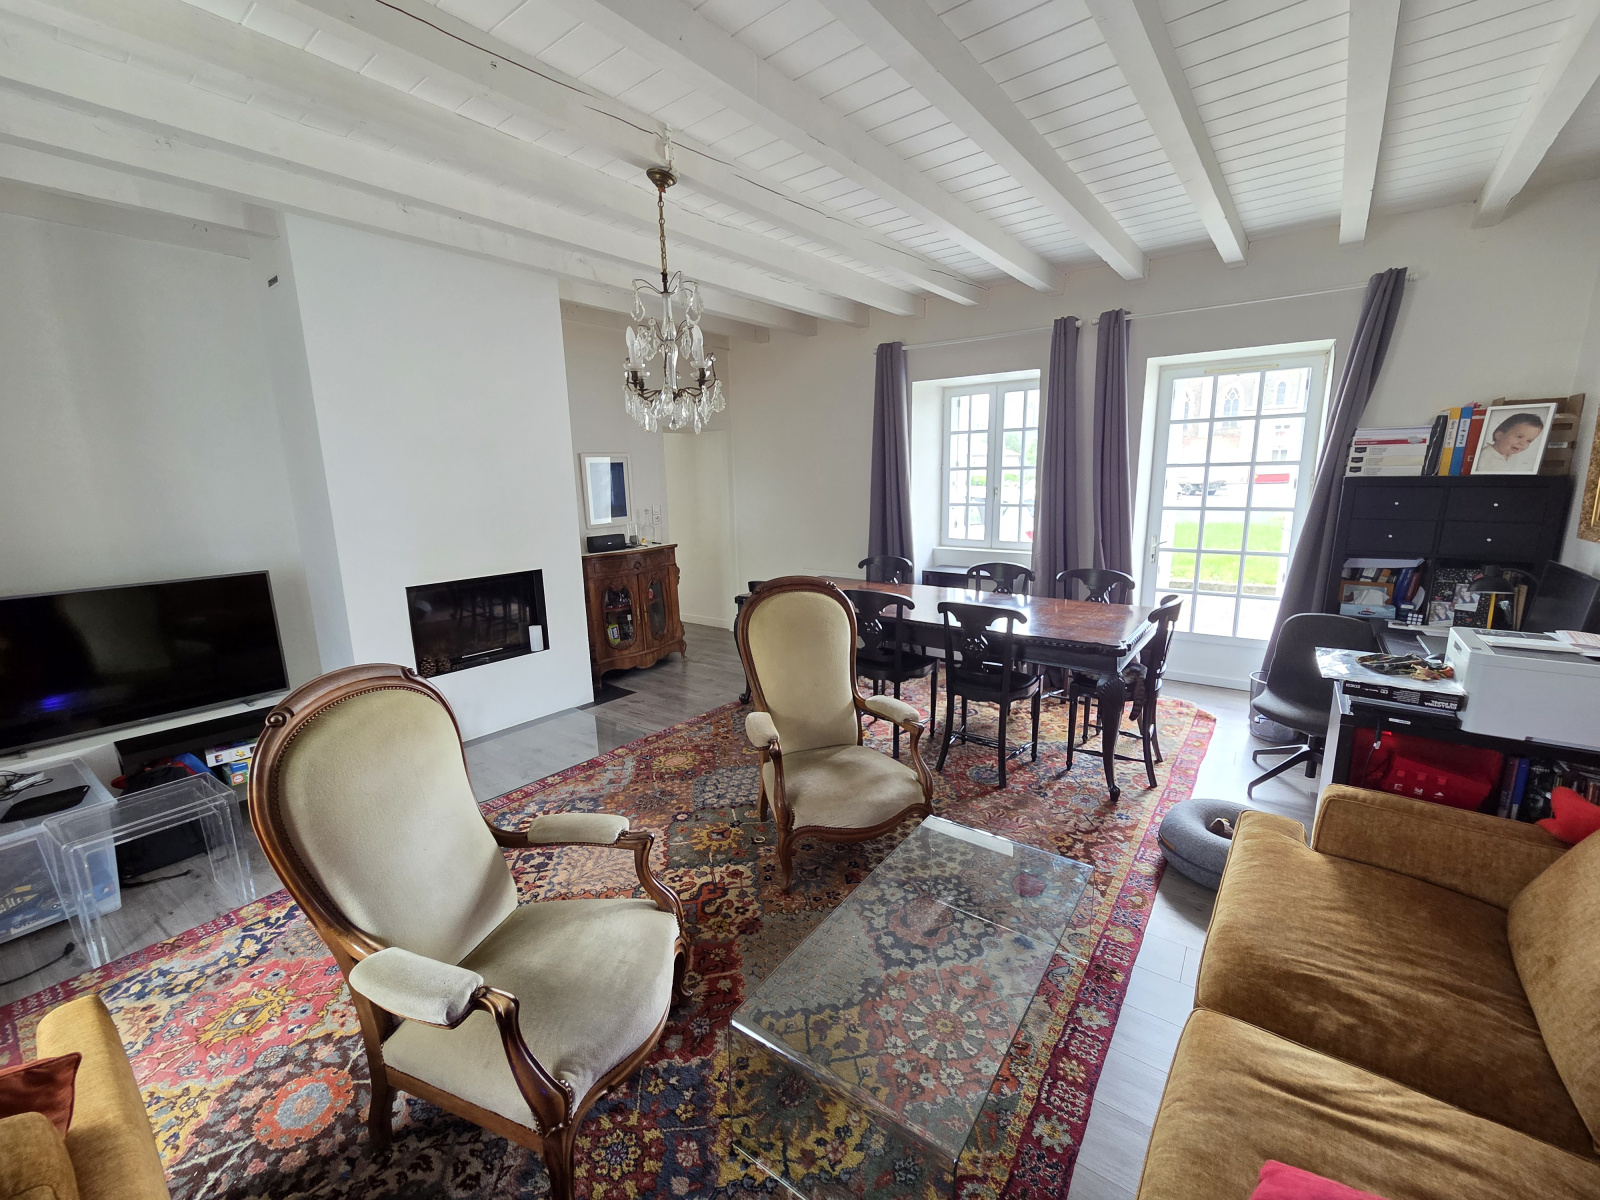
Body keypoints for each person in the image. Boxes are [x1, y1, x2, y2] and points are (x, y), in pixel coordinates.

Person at [1474, 411, 1546, 473]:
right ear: (1499, 435)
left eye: (1529, 440)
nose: (1522, 443)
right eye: (1519, 436)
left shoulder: (1513, 457)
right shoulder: (1483, 457)